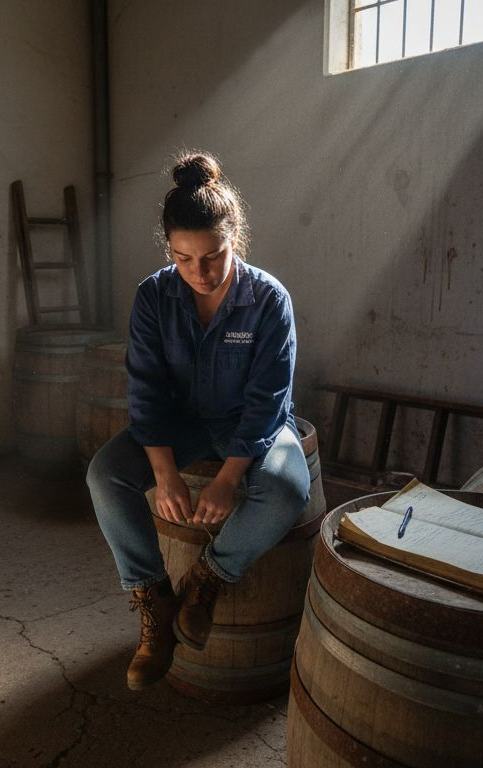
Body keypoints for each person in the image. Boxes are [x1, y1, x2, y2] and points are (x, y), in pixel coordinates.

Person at [86, 151, 310, 691]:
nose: (199, 273)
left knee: (287, 488)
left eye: (213, 256)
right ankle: (153, 597)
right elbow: (145, 389)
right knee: (105, 474)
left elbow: (267, 397)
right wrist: (162, 472)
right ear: (170, 250)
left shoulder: (268, 300)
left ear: (236, 239)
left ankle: (210, 576)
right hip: (183, 421)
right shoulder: (153, 296)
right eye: (183, 259)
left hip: (252, 422)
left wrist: (231, 477)